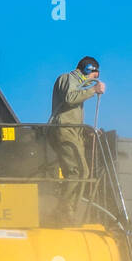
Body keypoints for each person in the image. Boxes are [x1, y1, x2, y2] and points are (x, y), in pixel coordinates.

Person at [48, 57, 105, 220]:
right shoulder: (68, 78)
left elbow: (73, 110)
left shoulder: (79, 84)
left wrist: (86, 131)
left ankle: (69, 207)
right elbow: (69, 98)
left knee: (83, 171)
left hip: (73, 131)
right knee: (76, 171)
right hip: (64, 130)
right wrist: (93, 90)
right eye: (95, 75)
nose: (95, 79)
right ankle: (64, 210)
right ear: (88, 69)